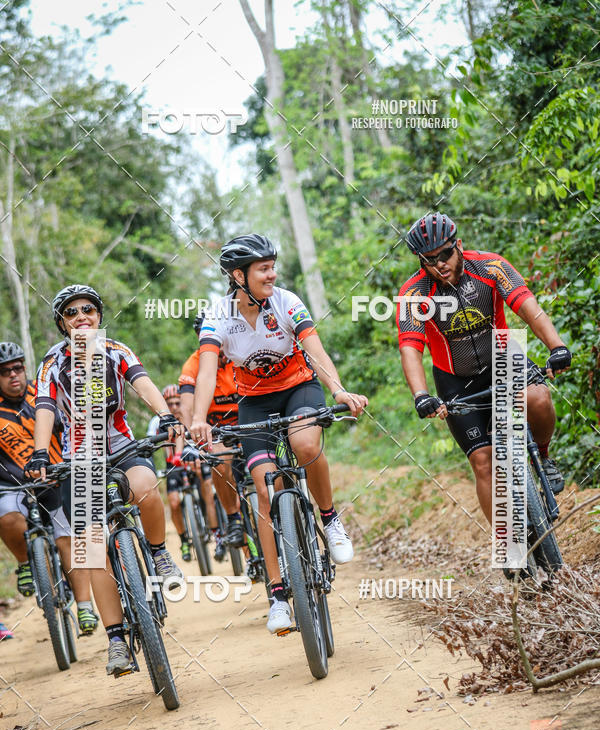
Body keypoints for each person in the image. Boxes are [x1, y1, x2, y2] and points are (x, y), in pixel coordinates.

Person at [190, 234, 368, 635]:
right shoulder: (217, 314)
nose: (273, 273)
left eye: (273, 266)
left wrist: (338, 390)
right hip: (254, 401)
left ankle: (329, 517)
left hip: (299, 388)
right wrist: (199, 418)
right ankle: (277, 597)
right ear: (239, 276)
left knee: (305, 443)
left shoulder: (288, 301)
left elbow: (315, 350)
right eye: (263, 268)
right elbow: (206, 370)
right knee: (263, 487)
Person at [25, 285, 182, 677]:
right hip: (79, 458)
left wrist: (165, 416)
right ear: (62, 323)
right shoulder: (52, 362)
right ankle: (115, 640)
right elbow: (44, 406)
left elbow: (142, 382)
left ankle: (160, 553)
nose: (81, 316)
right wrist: (42, 451)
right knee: (91, 546)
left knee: (145, 485)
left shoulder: (116, 351)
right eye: (71, 312)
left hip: (120, 443)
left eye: (88, 310)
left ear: (98, 316)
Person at [397, 213, 571, 524]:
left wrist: (556, 347)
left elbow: (529, 309)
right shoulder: (415, 293)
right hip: (455, 379)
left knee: (539, 398)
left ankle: (543, 457)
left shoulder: (490, 267)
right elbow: (410, 346)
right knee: (482, 461)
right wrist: (421, 395)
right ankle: (506, 546)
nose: (439, 264)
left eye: (446, 254)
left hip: (503, 358)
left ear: (459, 245)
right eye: (429, 259)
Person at [0, 341, 96, 633]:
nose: (14, 375)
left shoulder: (42, 394)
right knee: (6, 515)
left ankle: (84, 606)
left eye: (18, 367)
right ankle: (26, 563)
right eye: (5, 372)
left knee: (66, 537)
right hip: (13, 485)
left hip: (55, 475)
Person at [179, 314, 243, 560]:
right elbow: (186, 407)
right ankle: (233, 518)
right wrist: (190, 439)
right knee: (218, 462)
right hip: (215, 425)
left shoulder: (240, 352)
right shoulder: (194, 364)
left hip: (247, 418)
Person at [147, 384, 192, 562]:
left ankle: (216, 529)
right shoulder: (156, 421)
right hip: (172, 466)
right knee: (173, 504)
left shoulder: (189, 416)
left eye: (177, 403)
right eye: (169, 403)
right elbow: (150, 445)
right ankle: (184, 541)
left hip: (192, 463)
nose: (173, 407)